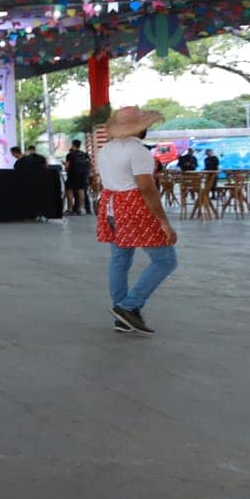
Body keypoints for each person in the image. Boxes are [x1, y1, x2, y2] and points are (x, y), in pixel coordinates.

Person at [96, 106, 178, 335]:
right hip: (133, 208)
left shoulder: (105, 150)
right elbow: (146, 187)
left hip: (111, 206)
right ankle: (128, 307)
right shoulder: (138, 151)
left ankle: (122, 314)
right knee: (165, 260)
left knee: (120, 260)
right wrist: (162, 221)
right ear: (140, 128)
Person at [64, 140, 92, 215]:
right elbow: (89, 164)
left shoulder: (70, 155)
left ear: (73, 145)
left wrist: (65, 166)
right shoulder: (84, 154)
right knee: (81, 191)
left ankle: (70, 209)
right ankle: (82, 209)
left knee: (69, 191)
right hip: (82, 176)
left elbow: (67, 167)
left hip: (72, 175)